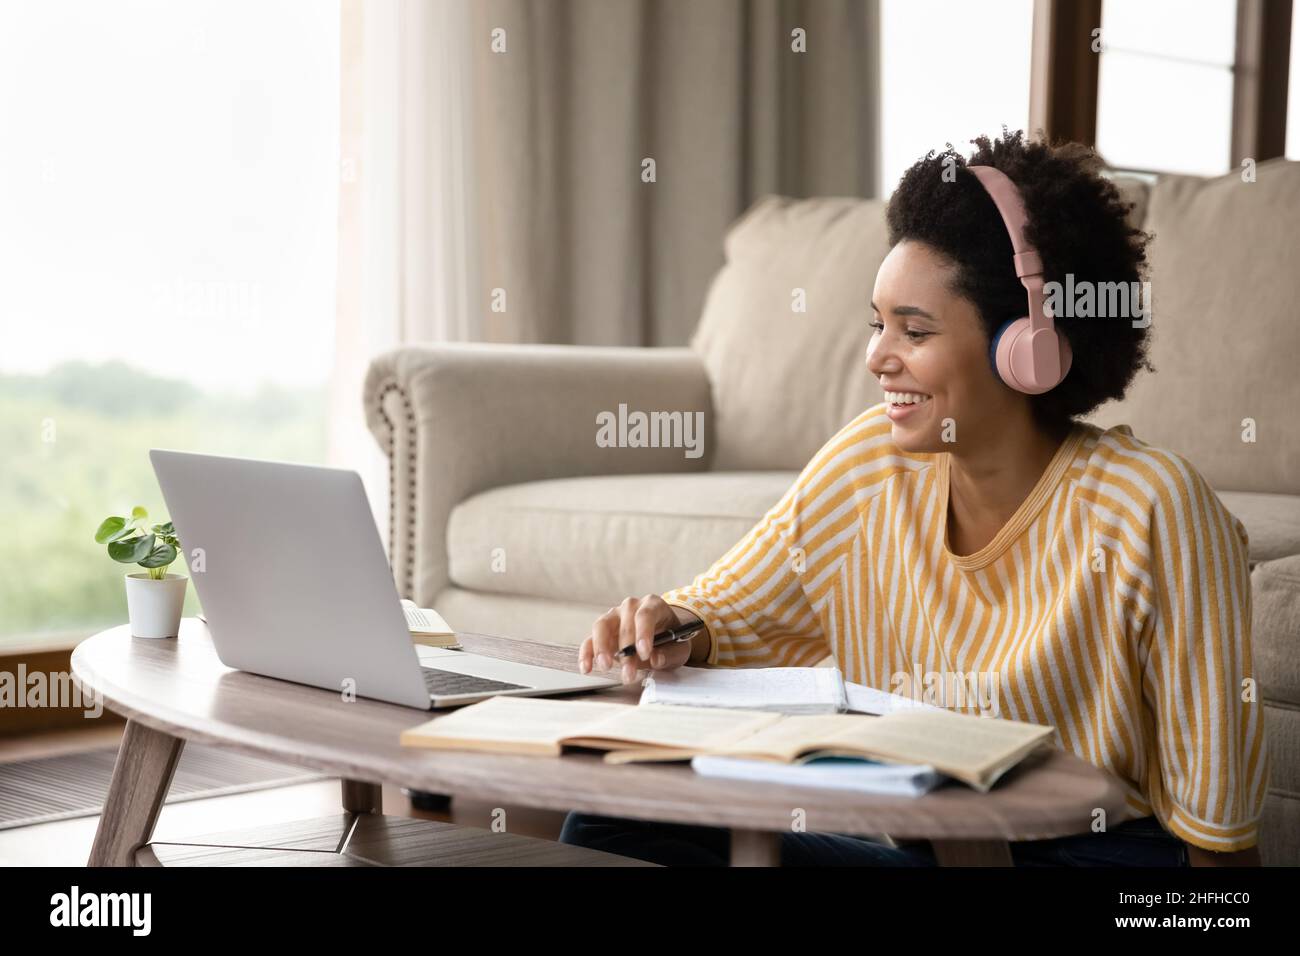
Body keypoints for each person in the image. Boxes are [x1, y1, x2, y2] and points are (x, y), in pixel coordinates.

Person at [559, 129, 1268, 867]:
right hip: (937, 856)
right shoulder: (871, 466)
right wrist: (671, 625)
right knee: (613, 824)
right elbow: (733, 611)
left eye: (914, 330)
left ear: (1027, 343)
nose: (876, 357)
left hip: (1100, 867)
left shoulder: (1153, 509)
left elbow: (1219, 857)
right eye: (878, 324)